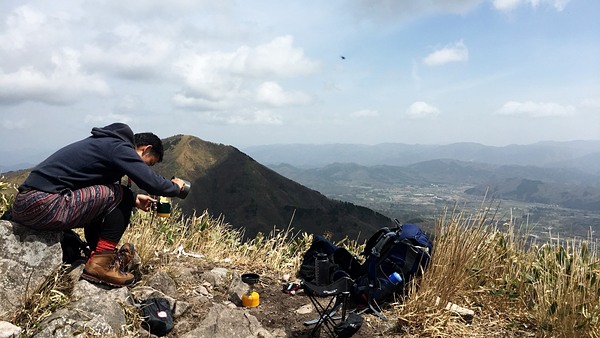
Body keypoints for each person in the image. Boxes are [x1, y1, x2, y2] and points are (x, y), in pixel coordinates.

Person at [11, 122, 186, 287]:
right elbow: (151, 182)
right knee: (121, 194)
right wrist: (175, 187)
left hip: (25, 204)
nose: (146, 167)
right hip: (45, 203)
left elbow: (93, 203)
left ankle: (100, 254)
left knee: (121, 196)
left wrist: (133, 199)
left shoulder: (105, 144)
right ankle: (101, 264)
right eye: (150, 163)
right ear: (145, 149)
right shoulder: (119, 147)